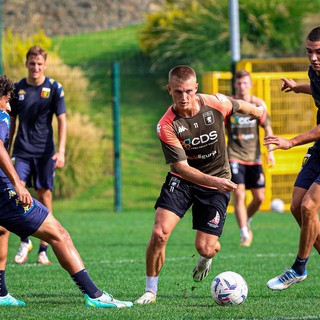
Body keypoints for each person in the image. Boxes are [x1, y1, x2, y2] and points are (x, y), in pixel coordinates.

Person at [135, 65, 264, 305]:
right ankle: (150, 291)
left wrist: (257, 111)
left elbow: (239, 105)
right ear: (169, 90)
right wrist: (215, 181)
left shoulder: (215, 103)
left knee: (205, 248)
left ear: (196, 88)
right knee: (159, 233)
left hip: (216, 184)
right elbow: (182, 168)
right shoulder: (166, 125)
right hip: (184, 180)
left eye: (188, 91)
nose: (183, 98)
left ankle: (206, 258)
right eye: (177, 92)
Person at [0, 75, 133, 308]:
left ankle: (0, 293)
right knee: (59, 234)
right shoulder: (1, 116)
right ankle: (94, 295)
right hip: (4, 193)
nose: (9, 106)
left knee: (1, 233)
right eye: (6, 100)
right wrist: (18, 184)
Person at [264, 26, 320, 290]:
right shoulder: (314, 71)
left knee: (310, 206)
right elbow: (317, 88)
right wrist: (298, 87)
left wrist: (291, 142)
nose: (313, 58)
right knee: (296, 206)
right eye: (309, 52)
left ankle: (299, 267)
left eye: (318, 52)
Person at [9, 45, 67, 265]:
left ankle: (44, 248)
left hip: (45, 153)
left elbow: (62, 120)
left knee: (44, 197)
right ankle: (25, 240)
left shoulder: (54, 88)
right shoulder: (17, 89)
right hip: (22, 152)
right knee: (18, 193)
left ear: (45, 65)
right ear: (26, 63)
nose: (35, 67)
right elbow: (12, 122)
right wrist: (6, 149)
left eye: (39, 64)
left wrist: (61, 151)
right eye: (32, 63)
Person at [225, 70, 275, 247]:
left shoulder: (258, 105)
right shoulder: (229, 105)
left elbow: (267, 128)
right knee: (238, 193)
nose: (242, 86)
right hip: (234, 155)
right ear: (235, 85)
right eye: (239, 83)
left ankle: (246, 219)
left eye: (245, 83)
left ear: (251, 84)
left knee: (259, 197)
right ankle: (244, 234)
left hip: (254, 158)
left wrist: (270, 151)